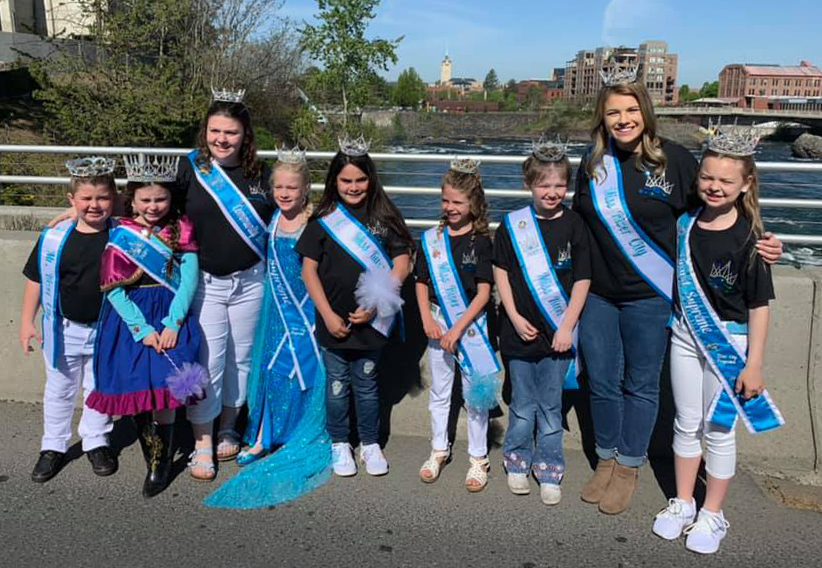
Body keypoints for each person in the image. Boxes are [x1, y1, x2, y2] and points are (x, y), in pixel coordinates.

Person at [572, 69, 783, 514]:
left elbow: (713, 213)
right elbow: (580, 228)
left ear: (645, 112)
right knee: (603, 383)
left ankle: (629, 465)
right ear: (602, 117)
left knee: (641, 384)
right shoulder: (593, 164)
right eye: (614, 112)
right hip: (598, 295)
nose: (623, 119)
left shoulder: (676, 160)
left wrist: (762, 241)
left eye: (631, 110)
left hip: (652, 294)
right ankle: (606, 460)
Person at [652, 129, 783, 553]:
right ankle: (684, 502)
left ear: (746, 184)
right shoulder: (685, 224)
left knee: (719, 430)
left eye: (726, 181)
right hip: (684, 336)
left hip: (729, 342)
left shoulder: (752, 239)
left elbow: (760, 306)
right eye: (707, 177)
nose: (714, 186)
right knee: (685, 422)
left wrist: (755, 364)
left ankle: (713, 513)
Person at [203, 148, 332, 509]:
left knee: (302, 373)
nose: (285, 193)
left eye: (292, 187)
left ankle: (294, 435)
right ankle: (263, 434)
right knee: (272, 371)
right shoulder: (271, 216)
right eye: (279, 187)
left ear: (306, 188)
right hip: (275, 308)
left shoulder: (316, 220)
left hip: (306, 310)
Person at [86, 153, 203, 497]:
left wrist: (173, 322)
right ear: (132, 199)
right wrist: (142, 329)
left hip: (170, 312)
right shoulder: (120, 232)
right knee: (137, 385)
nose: (154, 206)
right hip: (131, 320)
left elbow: (189, 279)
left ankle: (161, 461)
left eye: (161, 198)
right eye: (146, 199)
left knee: (168, 387)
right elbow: (114, 291)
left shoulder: (181, 228)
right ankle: (152, 450)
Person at [297, 135, 413, 477]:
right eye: (346, 180)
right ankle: (339, 441)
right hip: (333, 321)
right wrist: (328, 315)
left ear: (371, 179)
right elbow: (309, 270)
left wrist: (378, 305)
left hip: (372, 321)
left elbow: (402, 261)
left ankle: (370, 441)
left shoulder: (384, 214)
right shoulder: (323, 218)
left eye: (360, 179)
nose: (353, 186)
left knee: (367, 382)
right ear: (334, 180)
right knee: (336, 385)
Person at [180, 88, 275, 480]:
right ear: (205, 131)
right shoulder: (190, 168)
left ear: (245, 135)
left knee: (242, 359)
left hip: (252, 281)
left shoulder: (263, 175)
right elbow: (146, 204)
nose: (221, 139)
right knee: (209, 360)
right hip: (205, 282)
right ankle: (202, 440)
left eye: (230, 132)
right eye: (214, 130)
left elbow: (294, 210)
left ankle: (230, 425)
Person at [493, 140, 591, 505]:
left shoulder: (575, 225)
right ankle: (517, 461)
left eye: (559, 185)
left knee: (551, 408)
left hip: (558, 336)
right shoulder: (511, 225)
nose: (552, 193)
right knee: (521, 405)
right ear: (528, 185)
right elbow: (500, 271)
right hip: (518, 333)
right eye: (543, 185)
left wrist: (567, 326)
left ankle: (549, 467)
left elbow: (582, 279)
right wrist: (514, 317)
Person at [20, 157, 117, 483]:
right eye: (86, 199)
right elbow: (36, 279)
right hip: (64, 328)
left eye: (102, 197)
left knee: (98, 387)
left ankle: (96, 440)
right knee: (60, 389)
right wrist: (26, 321)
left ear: (114, 199)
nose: (94, 205)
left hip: (106, 330)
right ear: (71, 201)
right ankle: (53, 446)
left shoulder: (121, 234)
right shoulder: (54, 238)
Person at [415, 157, 498, 492]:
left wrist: (457, 329)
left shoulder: (481, 242)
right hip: (436, 326)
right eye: (445, 200)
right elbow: (421, 282)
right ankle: (439, 449)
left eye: (457, 202)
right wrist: (425, 319)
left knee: (475, 394)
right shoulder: (432, 238)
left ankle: (478, 456)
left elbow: (483, 293)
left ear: (473, 203)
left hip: (470, 328)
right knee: (439, 390)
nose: (450, 207)